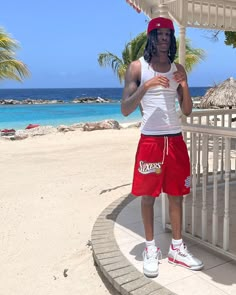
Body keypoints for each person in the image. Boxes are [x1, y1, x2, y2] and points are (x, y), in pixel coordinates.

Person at [121, 16, 204, 278]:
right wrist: (146, 86)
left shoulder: (177, 67)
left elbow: (188, 111)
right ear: (151, 38)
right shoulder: (137, 68)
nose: (164, 39)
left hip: (175, 140)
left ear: (171, 39)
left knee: (177, 194)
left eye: (168, 35)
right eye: (159, 35)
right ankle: (150, 248)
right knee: (148, 196)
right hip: (151, 141)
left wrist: (184, 84)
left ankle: (177, 249)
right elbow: (125, 109)